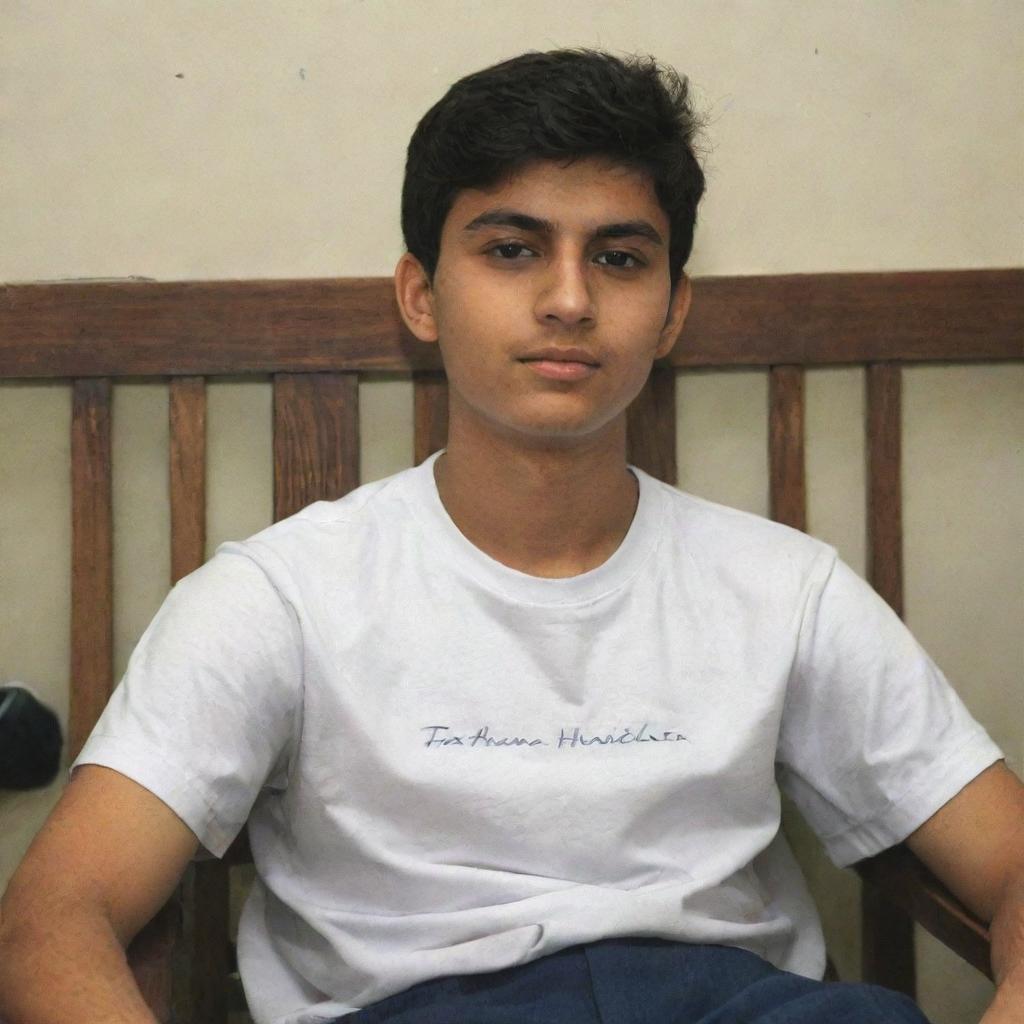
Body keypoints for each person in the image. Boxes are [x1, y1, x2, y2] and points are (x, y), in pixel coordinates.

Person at [0, 48, 1021, 1024]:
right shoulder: (282, 597)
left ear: (670, 313)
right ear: (420, 296)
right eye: (510, 249)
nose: (569, 299)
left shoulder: (784, 590)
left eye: (619, 258)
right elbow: (55, 915)